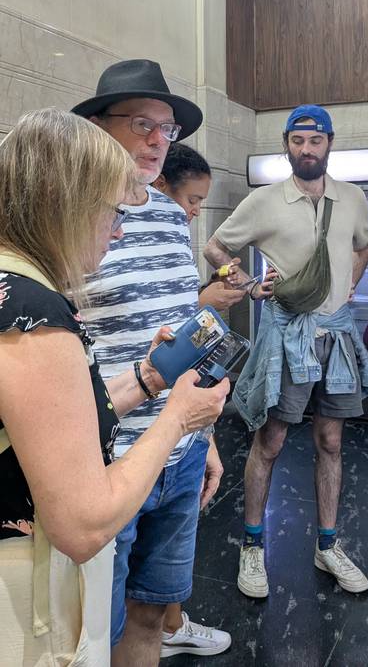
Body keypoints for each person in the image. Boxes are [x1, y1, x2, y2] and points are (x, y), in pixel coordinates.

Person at [0, 108, 228, 666]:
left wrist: (148, 378)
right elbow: (82, 524)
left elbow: (59, 415)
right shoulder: (36, 316)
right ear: (65, 205)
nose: (120, 230)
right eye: (110, 213)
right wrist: (178, 416)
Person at [71, 59, 234, 665]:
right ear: (96, 126)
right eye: (142, 123)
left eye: (167, 129)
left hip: (182, 450)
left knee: (151, 614)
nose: (158, 139)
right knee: (95, 630)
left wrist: (205, 433)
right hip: (109, 455)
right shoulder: (73, 214)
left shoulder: (169, 214)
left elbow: (184, 327)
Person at [204, 104, 368, 600]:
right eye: (299, 141)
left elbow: (364, 247)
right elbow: (215, 248)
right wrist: (247, 285)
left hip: (338, 338)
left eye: (316, 140)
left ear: (330, 143)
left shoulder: (352, 198)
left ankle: (328, 544)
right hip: (289, 335)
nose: (307, 149)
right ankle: (253, 546)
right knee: (271, 442)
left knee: (331, 441)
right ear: (287, 144)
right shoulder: (265, 201)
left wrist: (349, 287)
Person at [153, 142, 246, 312]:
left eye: (200, 201)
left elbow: (180, 297)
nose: (196, 212)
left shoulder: (177, 236)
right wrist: (202, 304)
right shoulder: (117, 232)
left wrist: (216, 285)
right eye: (192, 200)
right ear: (160, 185)